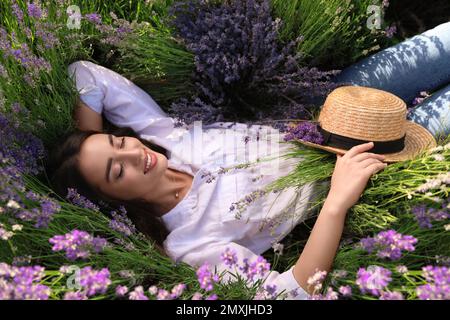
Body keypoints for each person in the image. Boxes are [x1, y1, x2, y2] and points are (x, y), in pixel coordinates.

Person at [47, 21, 449, 300]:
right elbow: (290, 292)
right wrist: (336, 203)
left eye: (119, 142)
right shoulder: (191, 244)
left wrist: (87, 141)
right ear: (116, 201)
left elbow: (85, 75)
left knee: (443, 42)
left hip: (338, 104)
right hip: (356, 158)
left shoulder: (160, 134)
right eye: (117, 171)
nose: (135, 154)